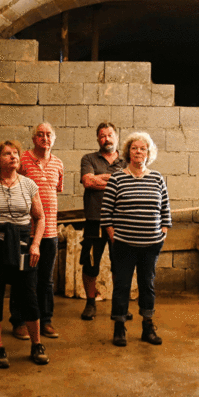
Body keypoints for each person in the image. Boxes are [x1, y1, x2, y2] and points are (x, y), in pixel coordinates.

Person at [0, 140, 50, 368]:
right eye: (7, 154)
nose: (13, 156)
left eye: (16, 153)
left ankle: (37, 344)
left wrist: (35, 245)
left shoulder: (29, 185)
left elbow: (40, 218)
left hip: (24, 247)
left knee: (29, 296)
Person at [101, 131, 171, 347]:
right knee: (122, 285)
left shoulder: (157, 178)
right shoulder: (117, 178)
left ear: (148, 153)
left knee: (147, 284)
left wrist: (163, 233)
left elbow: (165, 210)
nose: (138, 151)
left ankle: (147, 327)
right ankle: (119, 327)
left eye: (143, 148)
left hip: (151, 245)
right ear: (128, 152)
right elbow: (106, 212)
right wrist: (114, 236)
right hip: (124, 244)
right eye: (134, 148)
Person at [9, 123, 64, 341]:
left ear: (54, 138)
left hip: (50, 232)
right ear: (34, 139)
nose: (44, 138)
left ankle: (45, 320)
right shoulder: (22, 159)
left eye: (48, 134)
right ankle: (19, 321)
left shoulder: (58, 163)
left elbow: (56, 190)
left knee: (46, 279)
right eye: (40, 135)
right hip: (26, 231)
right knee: (22, 278)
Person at [79, 122, 125, 320]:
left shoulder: (127, 160)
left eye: (110, 134)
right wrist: (116, 181)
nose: (107, 138)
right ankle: (90, 303)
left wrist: (101, 179)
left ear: (117, 137)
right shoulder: (88, 158)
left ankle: (119, 305)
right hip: (94, 220)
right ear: (98, 139)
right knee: (90, 264)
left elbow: (130, 185)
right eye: (102, 136)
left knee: (121, 265)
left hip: (121, 221)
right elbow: (88, 181)